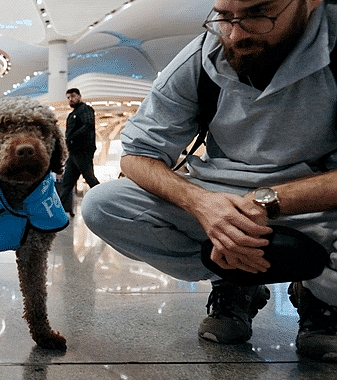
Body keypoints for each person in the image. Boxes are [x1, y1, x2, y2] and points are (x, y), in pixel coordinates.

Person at [82, 0, 337, 361]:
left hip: (321, 204)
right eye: (224, 16)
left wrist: (266, 201)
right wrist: (201, 204)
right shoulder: (202, 56)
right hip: (222, 198)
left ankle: (323, 296)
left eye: (257, 14)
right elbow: (138, 155)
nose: (234, 34)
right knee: (104, 205)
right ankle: (233, 280)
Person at [58, 88, 99, 216]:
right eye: (69, 97)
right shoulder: (73, 114)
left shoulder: (85, 110)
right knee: (67, 182)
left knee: (89, 178)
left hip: (82, 151)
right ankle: (57, 211)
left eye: (73, 96)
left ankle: (106, 200)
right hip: (74, 153)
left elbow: (87, 126)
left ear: (79, 96)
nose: (71, 99)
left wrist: (71, 137)